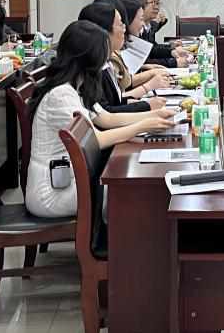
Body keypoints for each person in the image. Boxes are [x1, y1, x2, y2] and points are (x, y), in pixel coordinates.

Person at [25, 21, 173, 218]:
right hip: (53, 192)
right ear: (89, 57)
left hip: (70, 179)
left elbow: (106, 118)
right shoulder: (61, 94)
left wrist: (154, 115)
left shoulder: (77, 86)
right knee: (138, 191)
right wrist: (143, 126)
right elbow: (96, 140)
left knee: (135, 180)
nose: (107, 60)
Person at [77, 1, 166, 114]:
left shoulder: (105, 62)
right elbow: (106, 113)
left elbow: (115, 101)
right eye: (121, 24)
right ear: (102, 31)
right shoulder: (93, 67)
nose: (125, 29)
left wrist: (143, 105)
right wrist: (146, 103)